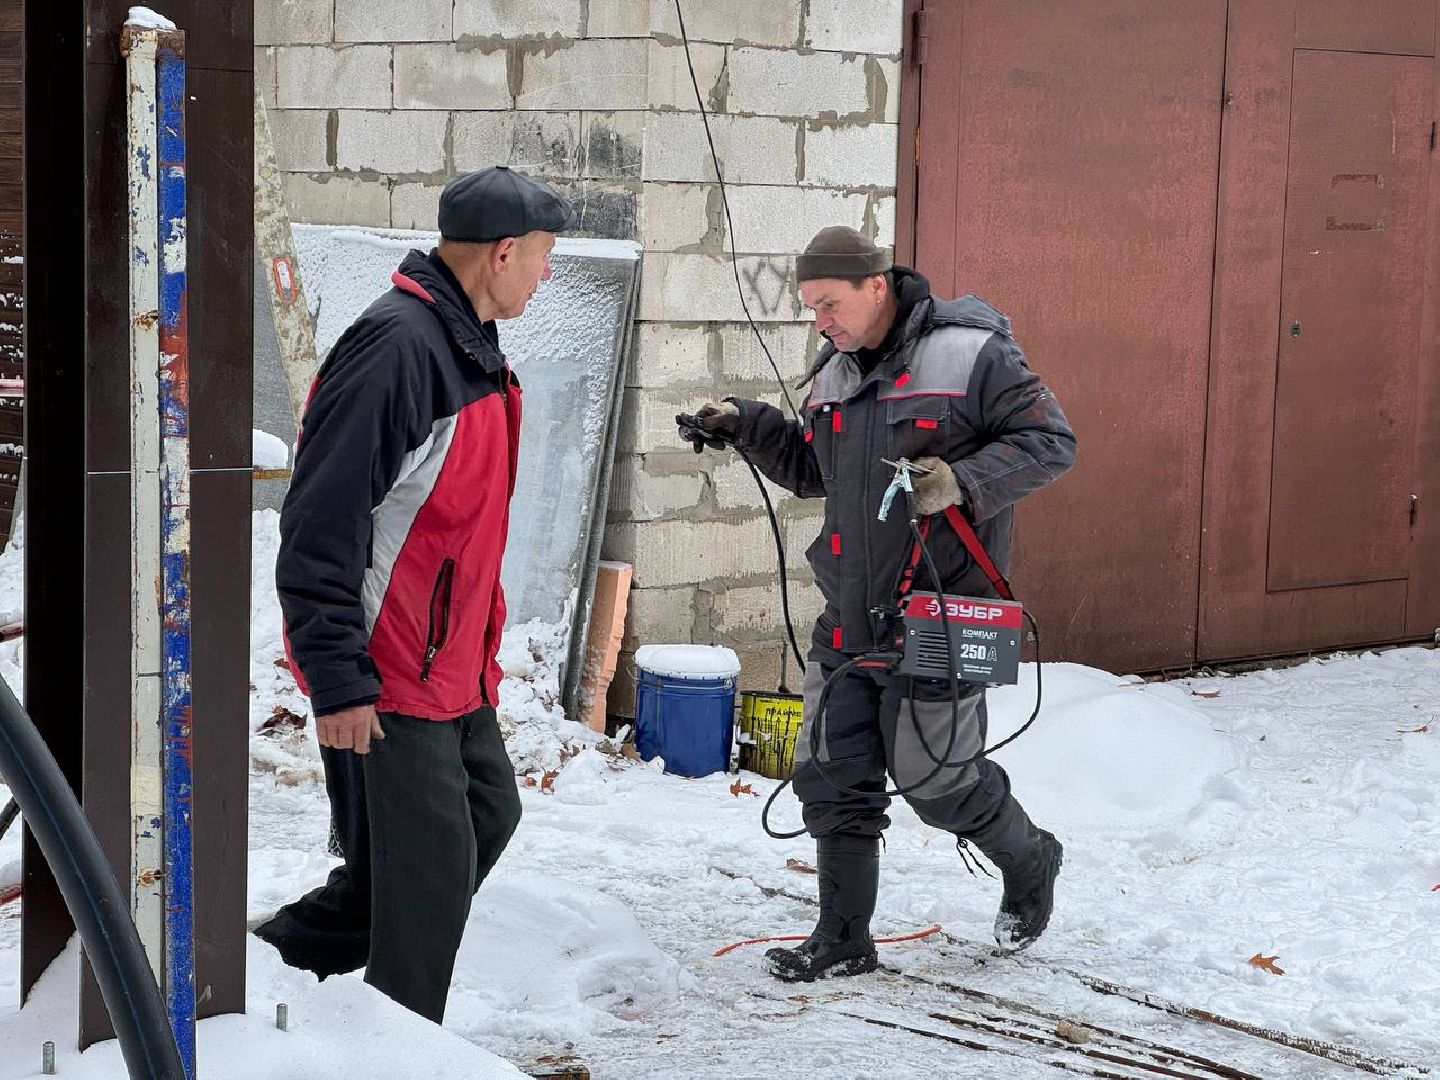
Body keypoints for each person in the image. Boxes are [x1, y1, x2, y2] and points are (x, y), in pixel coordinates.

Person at [679, 226, 1077, 983]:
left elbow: (1051, 442)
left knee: (939, 783)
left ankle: (1032, 858)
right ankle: (842, 939)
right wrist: (747, 422)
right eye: (810, 307)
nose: (820, 321)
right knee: (831, 777)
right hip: (852, 611)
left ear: (876, 286)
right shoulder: (833, 370)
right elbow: (811, 469)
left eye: (829, 303)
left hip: (941, 612)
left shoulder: (971, 353)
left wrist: (962, 480)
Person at [254, 166, 574, 1022]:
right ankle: (395, 1050)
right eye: (544, 256)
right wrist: (338, 679)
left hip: (450, 672)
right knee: (424, 886)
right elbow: (320, 521)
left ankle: (244, 983)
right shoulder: (398, 348)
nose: (548, 274)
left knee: (476, 826)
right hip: (390, 673)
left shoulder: (463, 340)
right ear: (502, 252)